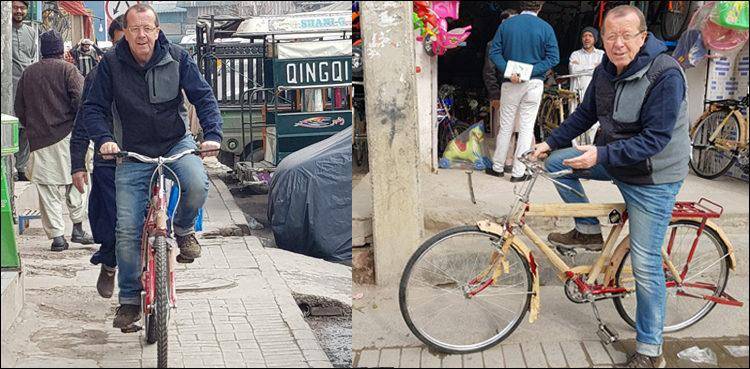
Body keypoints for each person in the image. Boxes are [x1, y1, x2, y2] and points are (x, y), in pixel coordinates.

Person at [531, 5, 689, 368]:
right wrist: (549, 142)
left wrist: (600, 154)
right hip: (617, 160)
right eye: (610, 36)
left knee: (646, 264)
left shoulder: (666, 75)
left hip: (653, 176)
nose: (618, 44)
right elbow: (585, 115)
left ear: (643, 37)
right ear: (601, 40)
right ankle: (588, 231)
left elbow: (655, 140)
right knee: (557, 163)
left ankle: (651, 352)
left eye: (626, 35)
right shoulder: (605, 70)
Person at [82, 4, 222, 329]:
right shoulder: (111, 64)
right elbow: (93, 108)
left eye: (148, 28)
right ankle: (129, 299)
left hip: (175, 143)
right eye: (135, 29)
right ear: (125, 32)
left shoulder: (177, 57)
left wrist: (212, 134)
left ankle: (184, 228)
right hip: (130, 152)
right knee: (127, 229)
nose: (142, 35)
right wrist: (104, 139)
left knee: (197, 182)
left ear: (158, 30)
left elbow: (203, 96)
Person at [14, 30, 95, 252]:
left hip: (39, 140)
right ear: (61, 50)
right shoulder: (69, 70)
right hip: (69, 136)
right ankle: (77, 228)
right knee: (77, 183)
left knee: (48, 191)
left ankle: (57, 237)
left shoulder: (28, 74)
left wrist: (35, 126)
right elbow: (81, 101)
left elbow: (19, 109)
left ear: (41, 50)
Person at [70, 15, 126, 299]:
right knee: (110, 220)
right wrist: (78, 164)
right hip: (109, 160)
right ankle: (109, 262)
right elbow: (83, 122)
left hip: (145, 157)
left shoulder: (154, 69)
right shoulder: (97, 76)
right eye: (119, 43)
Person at [486, 1, 559, 181]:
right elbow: (553, 58)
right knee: (526, 128)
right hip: (534, 83)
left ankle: (497, 166)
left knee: (505, 126)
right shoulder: (546, 27)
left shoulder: (507, 25)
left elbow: (494, 53)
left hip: (510, 83)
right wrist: (529, 72)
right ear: (540, 7)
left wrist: (510, 71)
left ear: (521, 6)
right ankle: (519, 172)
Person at [483, 8, 518, 175]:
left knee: (519, 128)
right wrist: (495, 95)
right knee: (503, 128)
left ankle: (512, 162)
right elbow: (489, 72)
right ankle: (503, 161)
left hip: (520, 90)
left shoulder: (518, 43)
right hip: (502, 92)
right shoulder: (493, 44)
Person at [11, 0, 38, 182]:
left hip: (26, 89)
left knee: (25, 130)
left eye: (22, 8)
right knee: (8, 129)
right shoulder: (4, 30)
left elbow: (34, 59)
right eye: (15, 7)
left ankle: (21, 168)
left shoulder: (31, 32)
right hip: (6, 89)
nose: (19, 11)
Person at [568, 26, 604, 144]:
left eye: (590, 36)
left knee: (593, 124)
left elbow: (602, 70)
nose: (587, 38)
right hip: (577, 93)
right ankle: (575, 150)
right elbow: (573, 71)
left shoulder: (601, 54)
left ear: (595, 39)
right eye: (584, 36)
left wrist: (581, 67)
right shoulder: (575, 54)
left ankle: (588, 148)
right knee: (574, 121)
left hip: (595, 93)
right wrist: (593, 68)